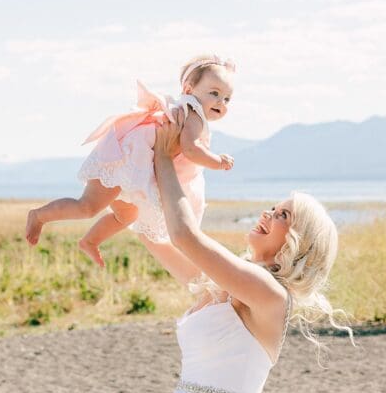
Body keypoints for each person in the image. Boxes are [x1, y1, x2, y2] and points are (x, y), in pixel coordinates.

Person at [143, 106, 341, 393]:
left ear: (299, 241)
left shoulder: (269, 293)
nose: (269, 213)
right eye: (273, 206)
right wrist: (133, 191)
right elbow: (160, 241)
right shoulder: (227, 281)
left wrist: (164, 157)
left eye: (284, 215)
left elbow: (184, 234)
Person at [24, 55, 236, 267]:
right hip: (124, 160)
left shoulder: (187, 110)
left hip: (130, 161)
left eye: (227, 98)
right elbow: (191, 149)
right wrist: (218, 161)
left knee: (127, 215)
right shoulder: (194, 114)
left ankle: (90, 241)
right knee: (87, 206)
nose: (221, 102)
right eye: (214, 93)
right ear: (189, 90)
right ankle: (39, 216)